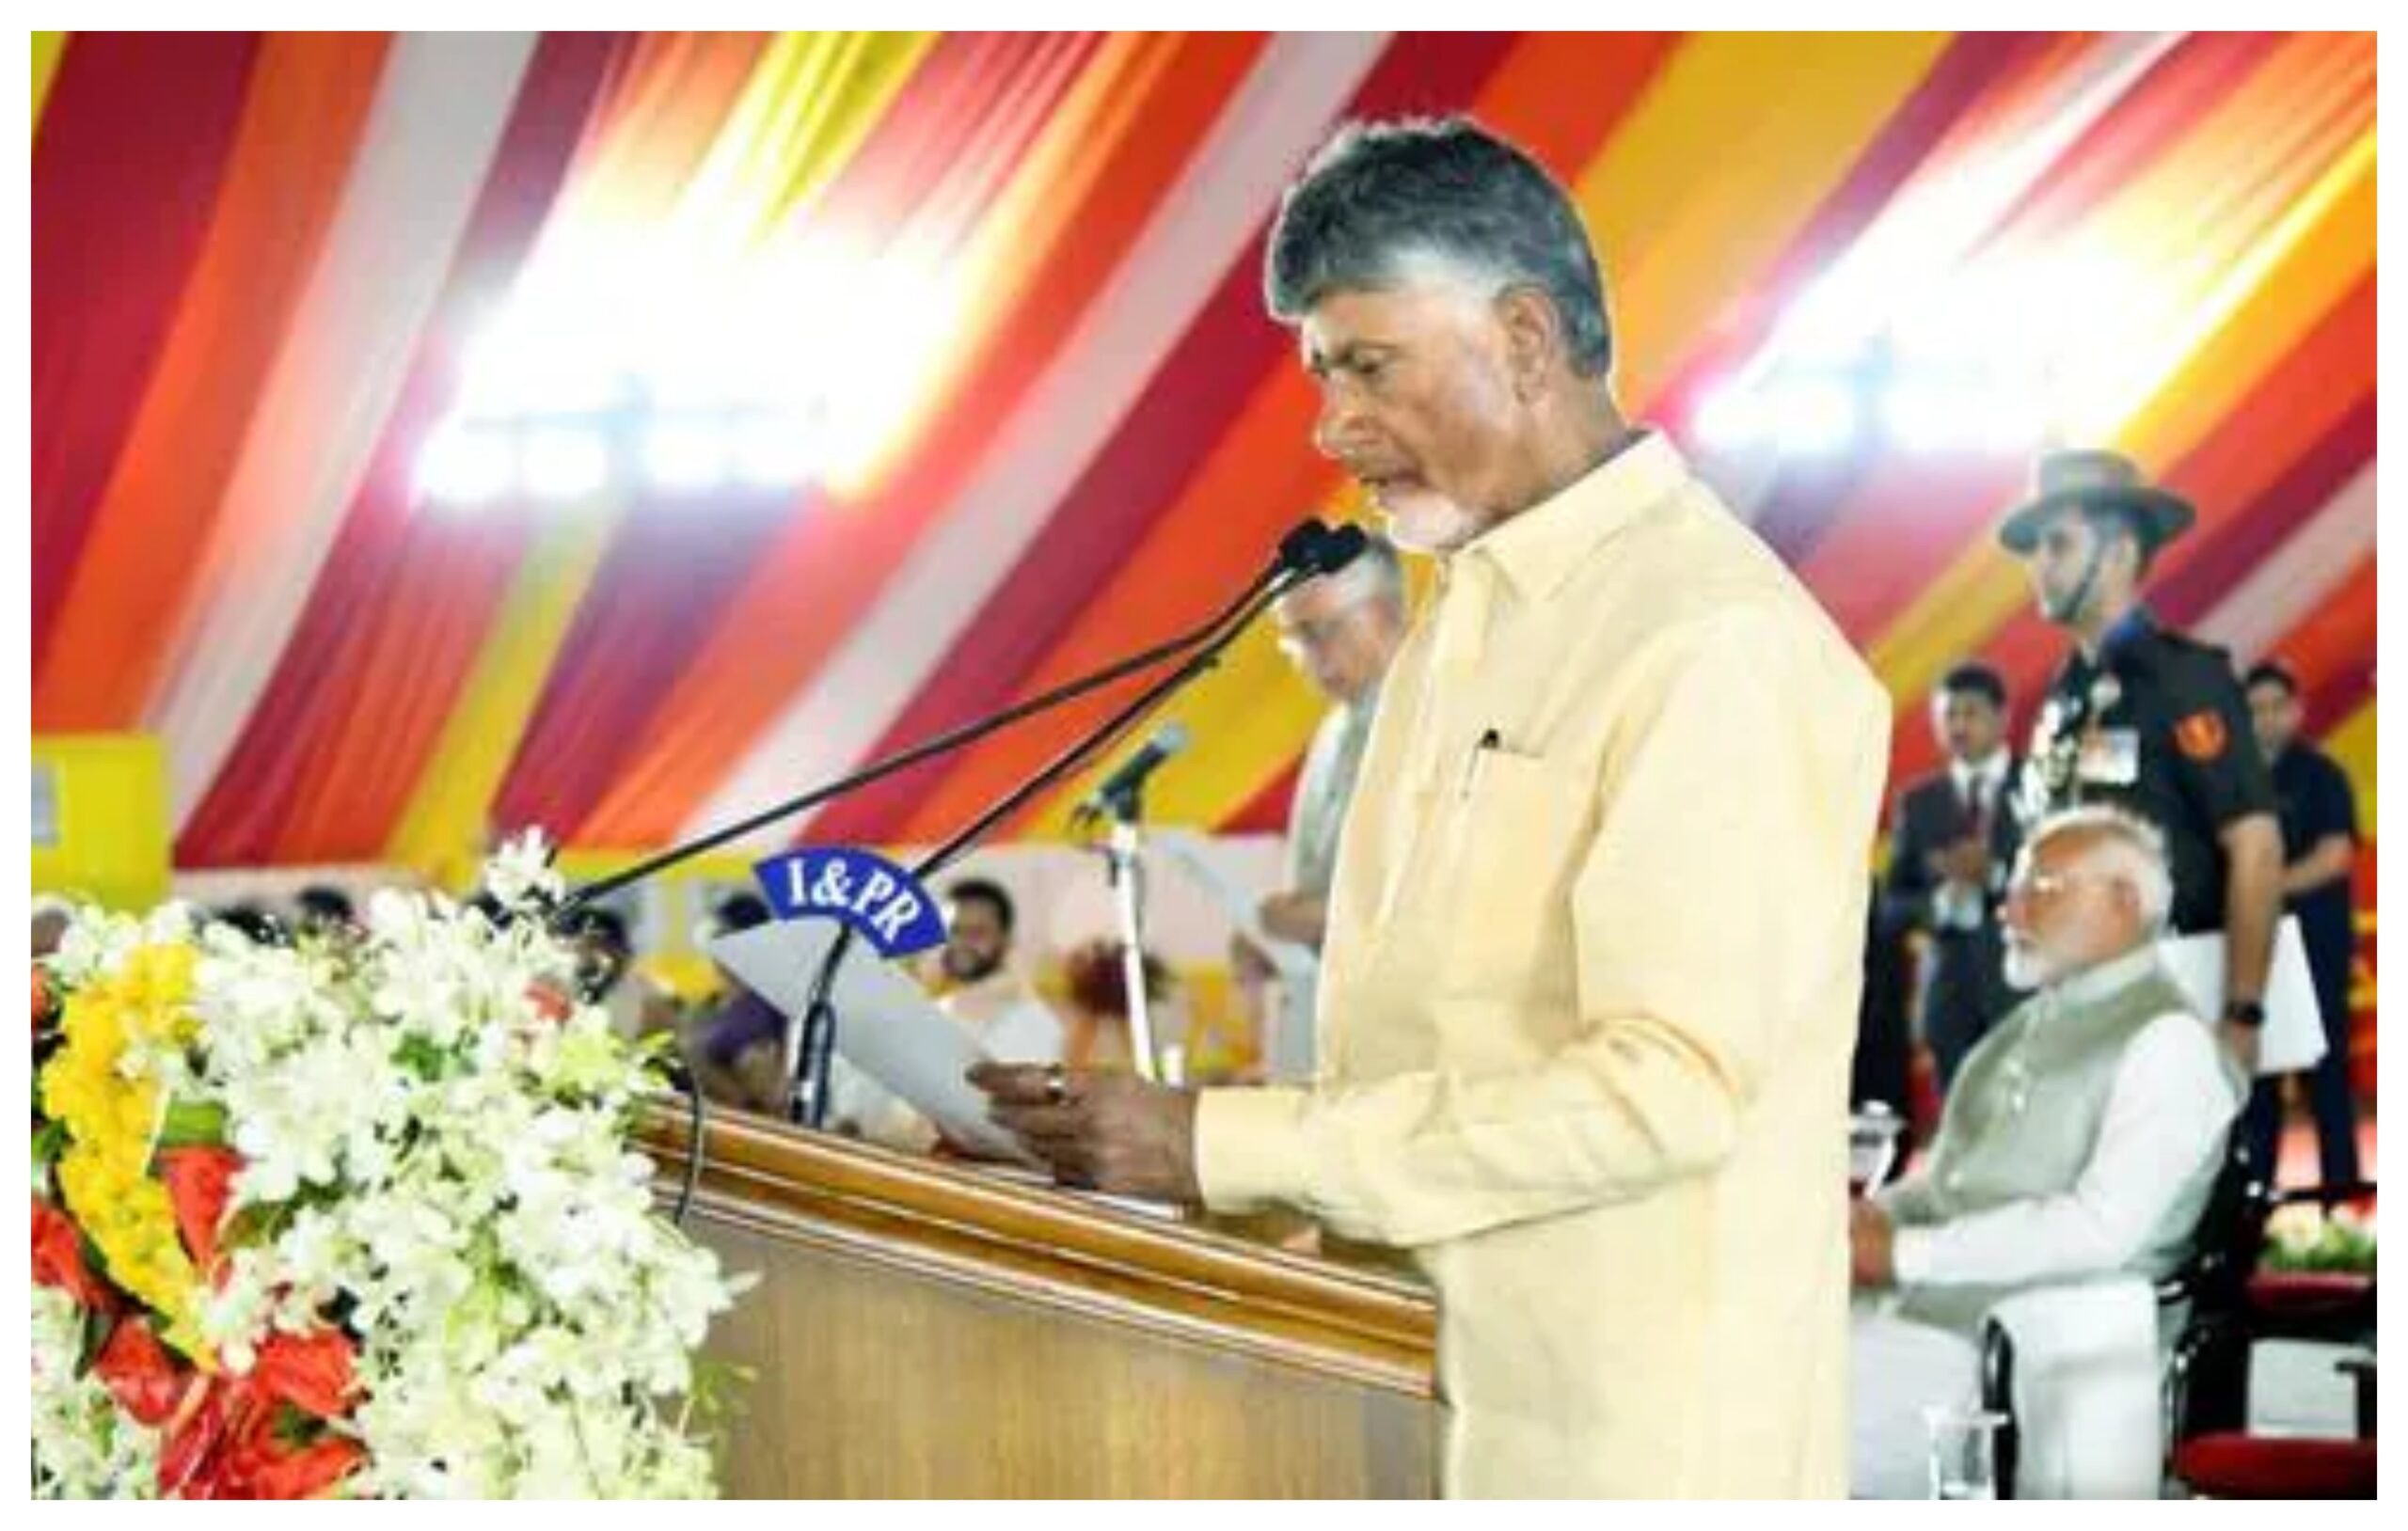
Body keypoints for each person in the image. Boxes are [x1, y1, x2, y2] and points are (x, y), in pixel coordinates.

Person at [974, 115, 1891, 1497]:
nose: (1332, 425)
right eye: (1321, 373)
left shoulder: (1716, 642)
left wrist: (1219, 1142)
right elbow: (1423, 1061)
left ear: (1525, 340)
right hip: (1408, 1397)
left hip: (1622, 1455)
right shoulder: (1458, 616)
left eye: (1368, 367)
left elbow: (1668, 1093)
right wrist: (1179, 1178)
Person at [1847, 807, 2245, 1498]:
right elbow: (1948, 1183)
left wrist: (1905, 1254)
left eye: (2042, 887)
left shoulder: (2167, 1043)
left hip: (2030, 1355)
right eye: (2015, 884)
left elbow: (2100, 1231)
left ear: (2124, 902)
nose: (2009, 906)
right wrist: (1865, 1220)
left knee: (1759, 1419)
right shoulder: (2025, 1026)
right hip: (1926, 1325)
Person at [2000, 448, 2282, 1078]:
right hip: (2078, 1011)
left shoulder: (2184, 680)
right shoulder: (2063, 693)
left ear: (2121, 552)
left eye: (2058, 545)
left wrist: (2242, 1016)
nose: (2039, 566)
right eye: (2036, 551)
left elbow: (2256, 848)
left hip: (2173, 1007)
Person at [1235, 531, 1411, 1079]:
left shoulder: (1437, 715)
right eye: (1294, 640)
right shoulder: (1335, 729)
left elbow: (1450, 894)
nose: (1309, 659)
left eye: (1321, 632)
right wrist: (1268, 932)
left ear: (1385, 612)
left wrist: (1313, 917)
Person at [2243, 660, 2362, 1185]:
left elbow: (2335, 856)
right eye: (2255, 710)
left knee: (2327, 1077)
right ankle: (2256, 1206)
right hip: (2252, 951)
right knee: (2258, 1084)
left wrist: (2267, 887)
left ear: (2297, 710)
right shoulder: (2231, 783)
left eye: (2276, 707)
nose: (2267, 719)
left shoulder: (2323, 775)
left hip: (2315, 945)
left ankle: (2344, 1201)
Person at [1882, 662, 2024, 1093]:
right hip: (1949, 1001)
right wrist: (1938, 905)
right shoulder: (1917, 802)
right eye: (1949, 715)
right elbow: (1890, 907)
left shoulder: (2038, 784)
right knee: (1961, 1136)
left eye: (1971, 712)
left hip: (2025, 995)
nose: (1959, 725)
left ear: (2002, 717)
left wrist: (1997, 875)